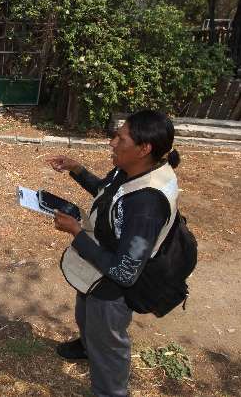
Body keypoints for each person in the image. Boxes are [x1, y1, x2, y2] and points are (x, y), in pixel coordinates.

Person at [46, 110, 181, 397]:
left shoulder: (147, 204)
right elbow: (106, 193)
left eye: (121, 138)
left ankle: (109, 389)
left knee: (108, 340)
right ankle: (87, 345)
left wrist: (77, 233)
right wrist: (77, 169)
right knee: (86, 313)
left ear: (144, 148)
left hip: (112, 286)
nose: (112, 142)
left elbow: (124, 272)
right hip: (99, 266)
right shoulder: (133, 170)